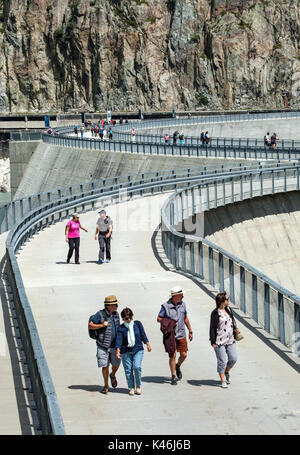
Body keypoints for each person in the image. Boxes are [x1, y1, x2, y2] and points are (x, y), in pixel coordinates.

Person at [157, 286, 193, 385]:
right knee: (172, 355)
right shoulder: (165, 306)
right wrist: (170, 322)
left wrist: (190, 330)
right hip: (170, 335)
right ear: (175, 296)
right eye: (181, 295)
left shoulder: (183, 305)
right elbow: (159, 318)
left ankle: (178, 366)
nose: (183, 296)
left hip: (181, 333)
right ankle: (173, 376)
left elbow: (185, 318)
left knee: (184, 354)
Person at [88, 295, 121, 394]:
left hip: (114, 345)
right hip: (102, 345)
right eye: (115, 305)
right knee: (104, 365)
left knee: (116, 364)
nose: (116, 306)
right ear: (109, 306)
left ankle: (113, 375)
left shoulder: (116, 314)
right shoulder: (100, 315)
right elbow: (90, 325)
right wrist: (102, 325)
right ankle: (106, 385)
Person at [116, 308, 151, 396]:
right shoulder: (121, 328)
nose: (127, 320)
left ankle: (138, 386)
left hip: (138, 349)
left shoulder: (137, 324)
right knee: (128, 370)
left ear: (132, 316)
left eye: (129, 318)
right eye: (125, 318)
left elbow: (143, 334)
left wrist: (147, 344)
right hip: (125, 351)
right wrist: (118, 350)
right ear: (123, 319)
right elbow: (119, 340)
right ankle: (131, 387)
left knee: (137, 367)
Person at [209, 292, 240, 388]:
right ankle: (223, 380)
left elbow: (231, 321)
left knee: (233, 358)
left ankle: (226, 371)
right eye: (227, 299)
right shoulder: (215, 313)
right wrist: (213, 342)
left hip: (230, 339)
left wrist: (235, 329)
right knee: (221, 361)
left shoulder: (229, 310)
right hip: (219, 341)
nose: (228, 301)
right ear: (222, 302)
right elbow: (212, 328)